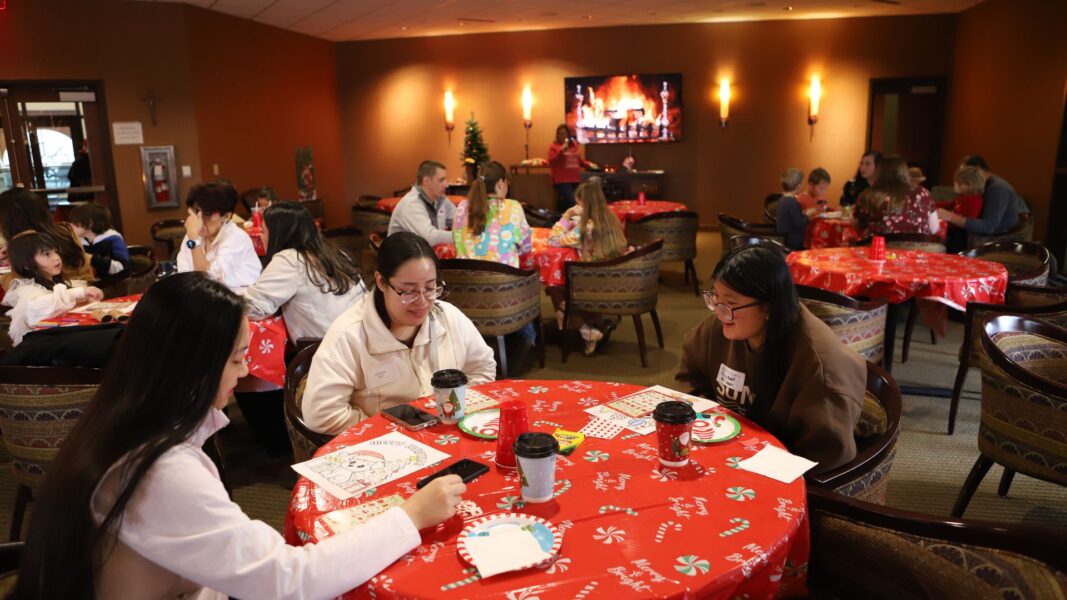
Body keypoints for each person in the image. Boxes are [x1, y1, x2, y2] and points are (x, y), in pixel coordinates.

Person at [10, 272, 467, 599]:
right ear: (192, 367)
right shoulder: (161, 470)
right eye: (235, 359)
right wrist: (411, 517)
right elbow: (290, 582)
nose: (246, 371)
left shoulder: (117, 425)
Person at [676, 244, 865, 474]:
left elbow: (823, 456)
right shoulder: (725, 325)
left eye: (730, 304)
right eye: (715, 298)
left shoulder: (818, 365)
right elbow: (689, 380)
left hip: (786, 473)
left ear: (769, 307)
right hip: (732, 451)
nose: (719, 312)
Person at [302, 232, 496, 435]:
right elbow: (321, 414)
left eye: (430, 288)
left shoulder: (447, 317)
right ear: (381, 282)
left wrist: (454, 412)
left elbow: (482, 367)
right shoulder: (350, 335)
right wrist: (391, 432)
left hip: (448, 436)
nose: (422, 302)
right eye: (409, 291)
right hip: (387, 449)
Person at [242, 201, 366, 341]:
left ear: (278, 234)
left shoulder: (290, 259)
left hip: (327, 352)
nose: (260, 237)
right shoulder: (336, 253)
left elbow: (254, 307)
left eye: (263, 231)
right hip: (362, 340)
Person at [547, 179, 628, 355]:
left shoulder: (585, 228)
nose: (576, 206)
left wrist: (567, 216)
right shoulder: (613, 219)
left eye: (578, 203)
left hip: (592, 285)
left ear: (585, 204)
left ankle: (585, 330)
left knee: (554, 287)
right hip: (616, 281)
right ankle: (591, 324)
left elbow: (552, 240)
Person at [2, 231, 104, 346]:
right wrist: (78, 293)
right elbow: (36, 309)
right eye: (46, 254)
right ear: (26, 263)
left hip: (61, 341)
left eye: (55, 252)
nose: (56, 258)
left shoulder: (54, 283)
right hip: (43, 348)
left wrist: (84, 303)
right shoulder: (27, 289)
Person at [0, 187, 94, 288]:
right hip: (88, 288)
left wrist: (4, 277)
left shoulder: (26, 246)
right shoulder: (65, 230)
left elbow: (20, 286)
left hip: (57, 297)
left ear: (9, 221)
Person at [177, 182, 262, 290]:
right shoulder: (193, 234)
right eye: (195, 211)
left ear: (226, 216)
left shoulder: (236, 238)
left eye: (206, 214)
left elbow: (208, 281)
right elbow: (183, 274)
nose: (199, 220)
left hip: (240, 301)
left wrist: (194, 241)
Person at [452, 161, 532, 267]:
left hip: (466, 280)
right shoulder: (513, 207)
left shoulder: (462, 206)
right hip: (505, 280)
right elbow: (525, 248)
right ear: (500, 184)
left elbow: (457, 242)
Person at [936, 155, 1029, 239]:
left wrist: (951, 217)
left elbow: (988, 227)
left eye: (965, 173)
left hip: (998, 238)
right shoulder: (973, 188)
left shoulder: (997, 189)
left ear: (978, 169)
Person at [853, 155, 938, 237]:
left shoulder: (869, 194)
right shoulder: (923, 193)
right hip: (917, 248)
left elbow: (858, 224)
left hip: (879, 248)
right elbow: (934, 228)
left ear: (879, 172)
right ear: (905, 171)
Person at [387, 160, 456, 246]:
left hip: (424, 255)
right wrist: (463, 236)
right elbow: (430, 238)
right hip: (403, 257)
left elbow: (460, 220)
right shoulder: (411, 204)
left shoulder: (441, 199)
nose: (447, 185)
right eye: (441, 180)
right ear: (426, 181)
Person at [70, 202, 129, 279]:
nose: (70, 225)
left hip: (113, 283)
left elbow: (122, 268)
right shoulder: (77, 240)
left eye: (75, 222)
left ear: (90, 223)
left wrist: (92, 258)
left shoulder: (113, 238)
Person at [547, 124, 597, 212]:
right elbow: (551, 161)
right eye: (559, 134)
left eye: (564, 134)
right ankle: (566, 220)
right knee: (571, 201)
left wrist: (589, 164)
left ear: (568, 135)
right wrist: (561, 150)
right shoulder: (554, 147)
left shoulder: (574, 145)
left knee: (580, 201)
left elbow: (578, 160)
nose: (561, 136)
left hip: (574, 179)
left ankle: (575, 221)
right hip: (561, 180)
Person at [938, 166, 986, 253]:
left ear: (970, 184)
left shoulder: (975, 199)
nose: (957, 186)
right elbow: (951, 204)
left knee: (955, 249)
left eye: (960, 184)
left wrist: (952, 219)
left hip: (963, 234)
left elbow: (970, 220)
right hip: (954, 228)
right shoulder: (963, 196)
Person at [775, 168, 821, 251]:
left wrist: (802, 213)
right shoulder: (792, 202)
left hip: (784, 239)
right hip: (793, 243)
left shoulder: (782, 200)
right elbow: (799, 224)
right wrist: (808, 215)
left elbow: (792, 218)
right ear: (798, 186)